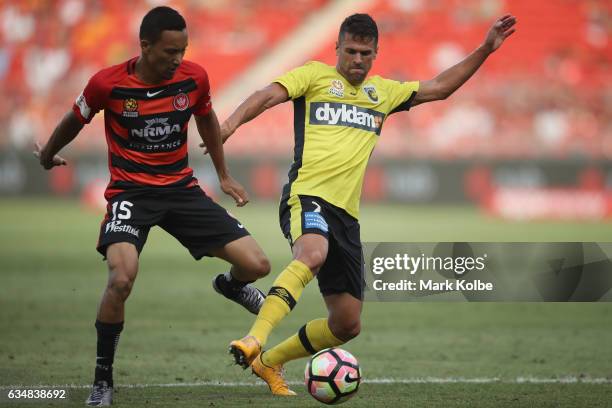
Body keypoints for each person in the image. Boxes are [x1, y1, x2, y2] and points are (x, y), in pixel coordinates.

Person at [211, 13, 517, 395]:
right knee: (312, 253)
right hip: (307, 195)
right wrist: (228, 126)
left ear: (375, 54)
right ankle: (254, 338)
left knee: (346, 324)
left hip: (347, 217)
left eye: (365, 53)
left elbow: (439, 87)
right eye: (351, 51)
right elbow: (266, 96)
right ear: (337, 48)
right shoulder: (313, 76)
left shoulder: (383, 93)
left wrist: (486, 49)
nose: (357, 59)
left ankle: (268, 362)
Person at [34, 6, 272, 407]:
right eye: (169, 52)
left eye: (182, 50)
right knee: (121, 278)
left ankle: (230, 285)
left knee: (258, 266)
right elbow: (75, 120)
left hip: (181, 190)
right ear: (145, 46)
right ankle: (103, 382)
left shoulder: (193, 78)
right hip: (131, 194)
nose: (177, 60)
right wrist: (48, 155)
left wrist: (225, 175)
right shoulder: (106, 84)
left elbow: (207, 121)